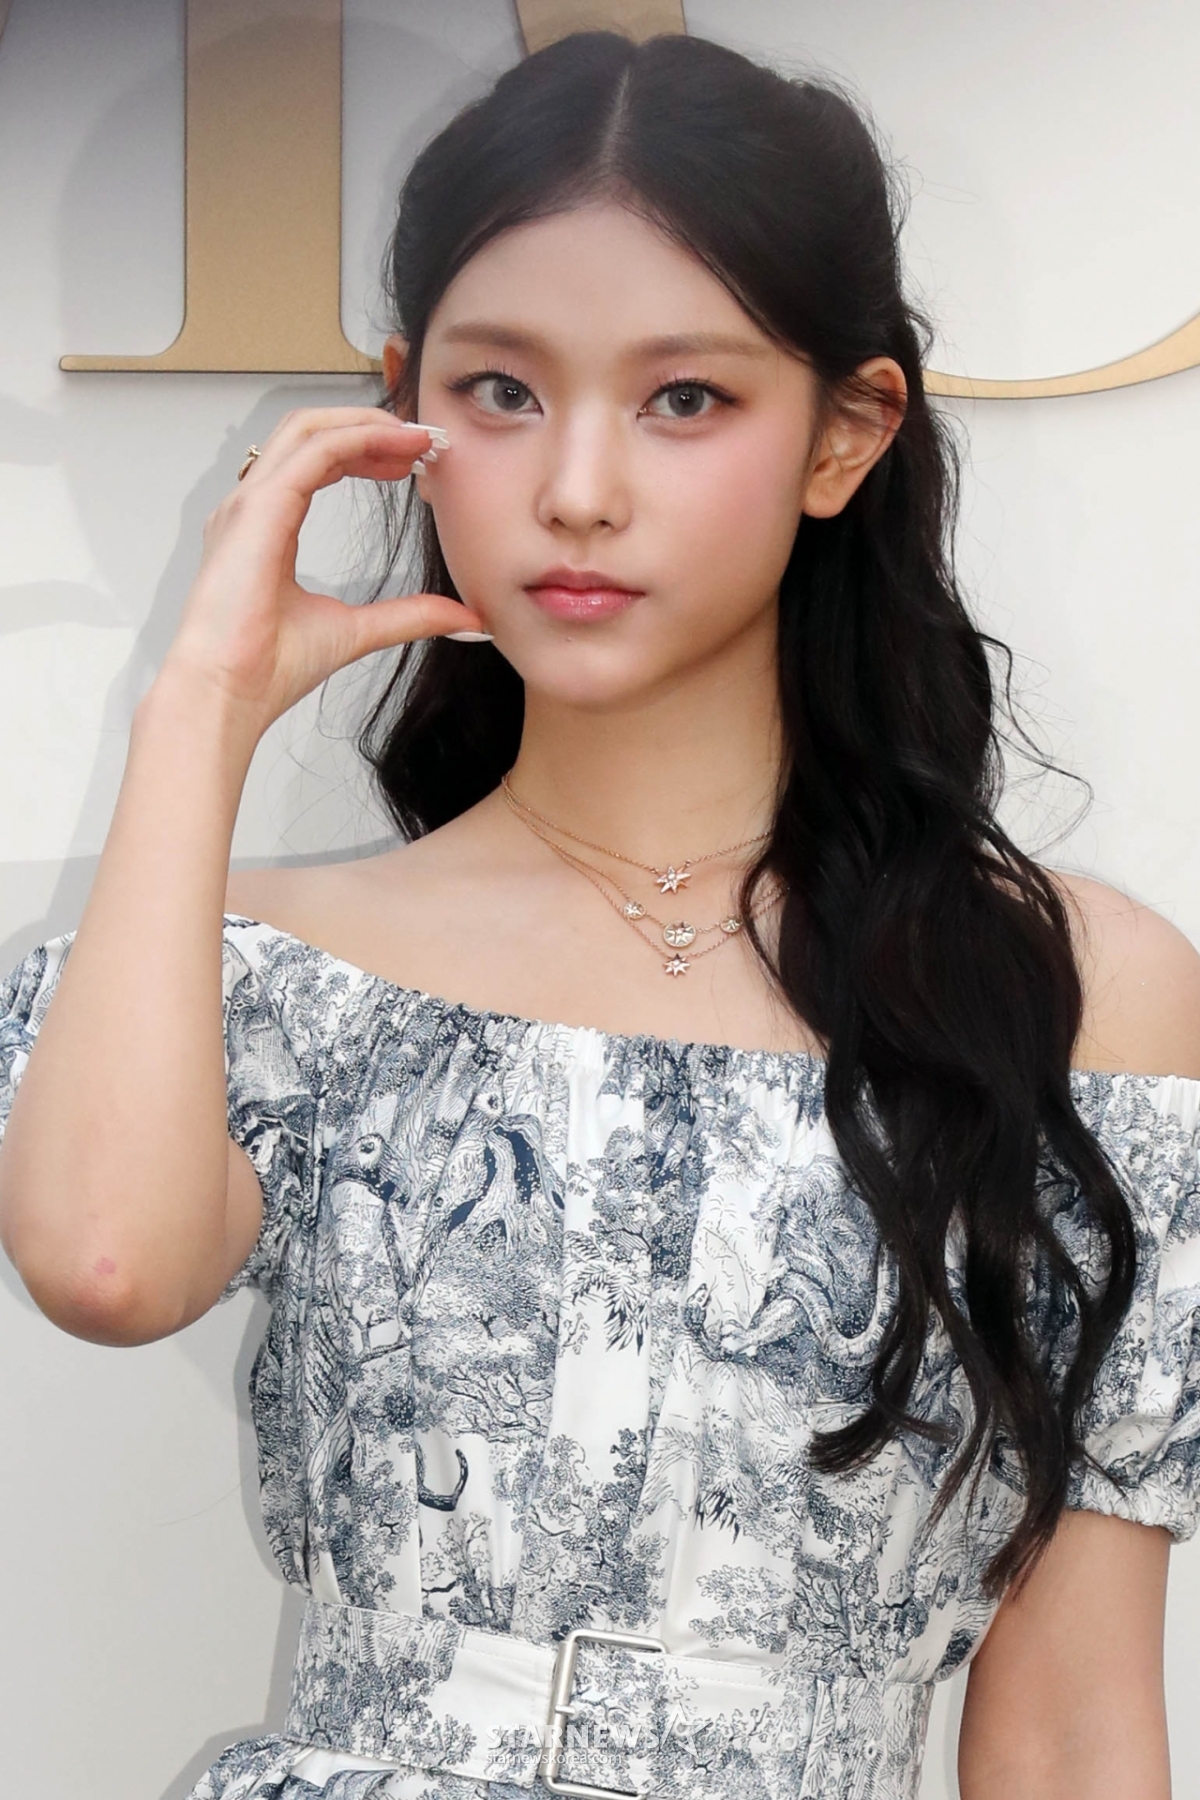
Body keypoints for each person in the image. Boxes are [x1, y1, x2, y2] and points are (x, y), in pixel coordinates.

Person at [0, 28, 1198, 1800]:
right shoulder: (272, 963)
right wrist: (201, 705)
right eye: (500, 390)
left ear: (847, 434)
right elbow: (105, 1267)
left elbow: (1081, 1722)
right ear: (404, 416)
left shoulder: (1073, 991)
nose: (576, 486)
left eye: (683, 399)